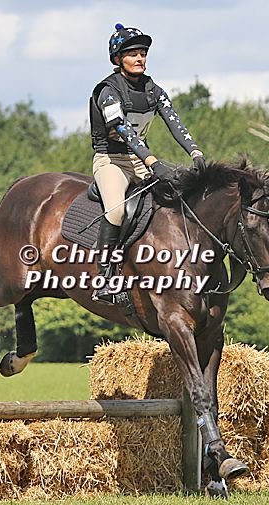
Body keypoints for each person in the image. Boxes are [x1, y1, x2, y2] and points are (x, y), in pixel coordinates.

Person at [89, 23, 207, 304]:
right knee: (117, 211)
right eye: (133, 54)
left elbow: (175, 123)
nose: (140, 58)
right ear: (118, 59)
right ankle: (103, 278)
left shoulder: (154, 90)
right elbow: (122, 131)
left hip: (140, 159)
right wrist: (153, 162)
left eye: (143, 53)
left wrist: (195, 153)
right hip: (111, 161)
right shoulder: (108, 91)